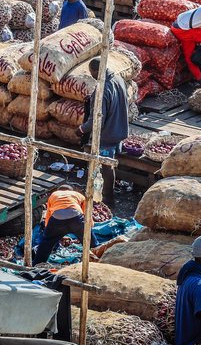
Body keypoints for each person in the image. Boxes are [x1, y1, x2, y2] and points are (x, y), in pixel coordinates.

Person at [80, 57, 132, 199]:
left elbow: (97, 120)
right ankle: (109, 192)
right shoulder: (118, 78)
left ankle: (108, 197)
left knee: (106, 165)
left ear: (97, 71)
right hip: (119, 128)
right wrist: (92, 98)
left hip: (108, 134)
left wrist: (82, 129)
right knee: (111, 163)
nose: (91, 75)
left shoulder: (102, 90)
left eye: (92, 73)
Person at [32, 184, 87, 264]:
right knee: (88, 240)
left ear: (58, 191)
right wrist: (88, 228)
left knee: (47, 242)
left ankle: (37, 263)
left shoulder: (53, 195)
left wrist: (49, 232)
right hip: (76, 215)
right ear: (71, 191)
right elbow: (86, 213)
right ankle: (98, 256)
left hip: (57, 217)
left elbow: (48, 215)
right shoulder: (79, 195)